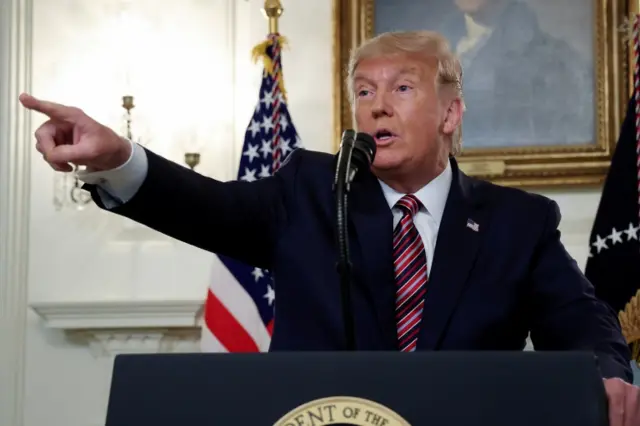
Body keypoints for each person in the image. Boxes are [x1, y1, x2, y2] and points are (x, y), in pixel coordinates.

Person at [21, 30, 639, 424]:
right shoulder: (310, 191)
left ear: (451, 112)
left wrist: (610, 372)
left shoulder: (515, 220)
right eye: (364, 91)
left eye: (402, 87)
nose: (376, 105)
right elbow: (208, 207)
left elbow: (582, 317)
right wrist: (116, 160)